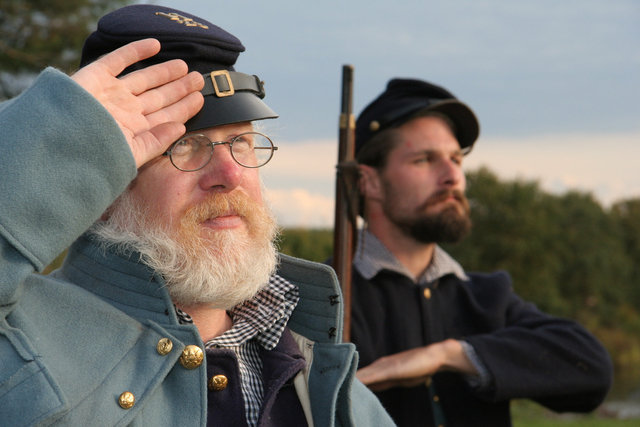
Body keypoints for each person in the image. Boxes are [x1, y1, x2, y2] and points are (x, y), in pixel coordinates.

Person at [0, 5, 394, 426]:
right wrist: (57, 129)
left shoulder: (332, 387)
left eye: (242, 141)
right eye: (185, 145)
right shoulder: (20, 340)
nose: (230, 174)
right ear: (104, 185)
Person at [346, 78, 613, 426]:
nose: (452, 176)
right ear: (370, 182)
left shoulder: (487, 296)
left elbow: (591, 368)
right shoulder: (324, 298)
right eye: (425, 159)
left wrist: (450, 355)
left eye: (456, 159)